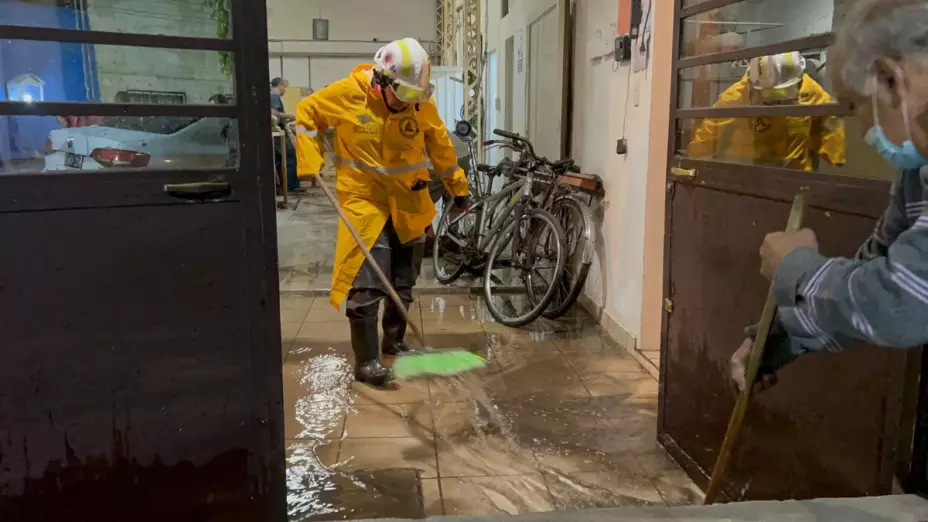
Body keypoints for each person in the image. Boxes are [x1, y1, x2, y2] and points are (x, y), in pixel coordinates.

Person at [731, 0, 928, 392]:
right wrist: (778, 336)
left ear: (889, 79)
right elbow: (879, 264)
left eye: (854, 106)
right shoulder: (916, 174)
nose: (860, 129)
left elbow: (902, 299)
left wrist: (797, 268)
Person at [294, 38, 470, 386]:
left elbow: (441, 147)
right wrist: (309, 160)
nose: (410, 102)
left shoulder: (418, 104)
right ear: (382, 80)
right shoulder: (347, 94)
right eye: (404, 94)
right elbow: (306, 115)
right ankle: (366, 362)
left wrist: (458, 190)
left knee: (403, 281)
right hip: (365, 204)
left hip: (410, 203)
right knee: (368, 285)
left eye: (415, 95)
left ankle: (394, 341)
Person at [687, 52, 846, 172]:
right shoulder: (737, 95)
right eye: (769, 95)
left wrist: (836, 157)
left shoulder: (810, 91)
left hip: (793, 176)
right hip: (748, 172)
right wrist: (695, 163)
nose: (775, 102)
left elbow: (830, 121)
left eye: (782, 94)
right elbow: (710, 129)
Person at [270, 78, 301, 193]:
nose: (285, 90)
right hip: (278, 132)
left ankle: (281, 186)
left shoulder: (271, 95)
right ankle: (290, 186)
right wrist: (290, 116)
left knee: (279, 159)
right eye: (285, 87)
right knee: (289, 156)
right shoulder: (274, 96)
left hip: (276, 131)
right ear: (280, 85)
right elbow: (274, 114)